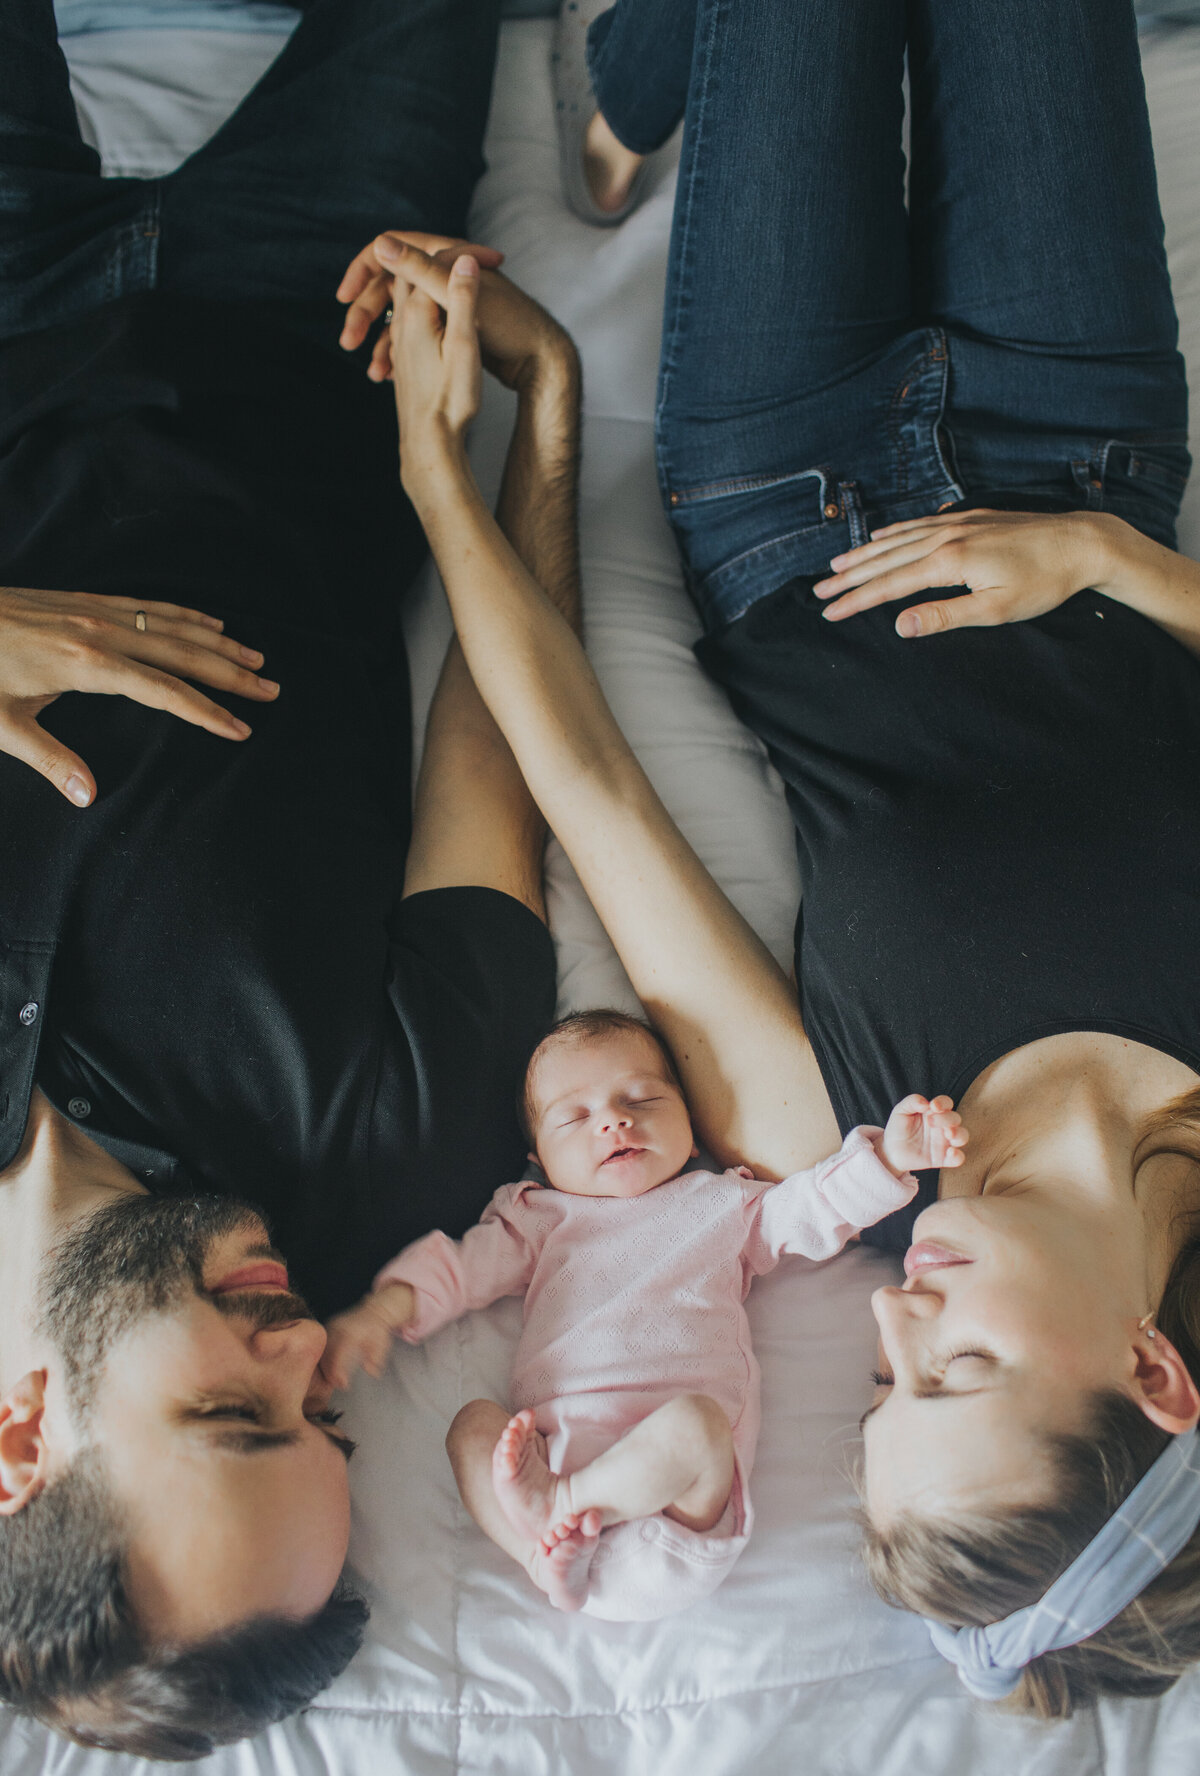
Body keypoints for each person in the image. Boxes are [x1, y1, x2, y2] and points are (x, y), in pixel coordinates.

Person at [343, 0, 1200, 1714]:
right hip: (1085, 448)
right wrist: (1108, 560)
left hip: (781, 485)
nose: (891, 1325)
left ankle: (642, 84)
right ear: (1156, 1372)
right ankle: (641, 76)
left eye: (887, 1388)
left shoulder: (833, 1146)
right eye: (952, 1370)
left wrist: (459, 469)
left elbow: (589, 784)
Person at [0, 0, 579, 1757]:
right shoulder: (390, 1155)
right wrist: (531, 435)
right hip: (307, 332)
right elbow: (504, 742)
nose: (306, 1360)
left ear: (22, 1439)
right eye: (326, 1429)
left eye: (238, 1417)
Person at [321, 1009, 963, 1617]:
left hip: (677, 1512)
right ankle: (538, 1552)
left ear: (689, 1119)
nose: (614, 1122)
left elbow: (810, 1208)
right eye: (576, 1118)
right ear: (539, 1160)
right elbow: (458, 1270)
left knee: (697, 1423)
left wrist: (887, 1160)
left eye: (643, 1100)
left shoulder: (724, 1204)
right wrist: (384, 1310)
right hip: (549, 1467)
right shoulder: (538, 1221)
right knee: (471, 1426)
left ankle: (559, 1510)